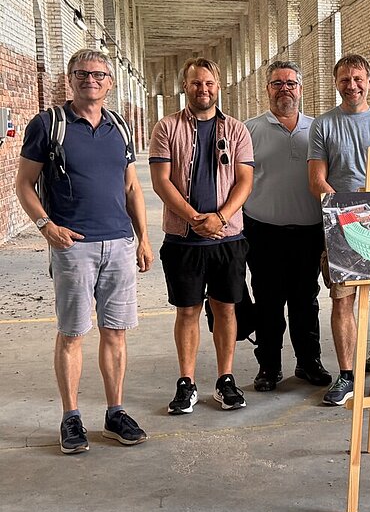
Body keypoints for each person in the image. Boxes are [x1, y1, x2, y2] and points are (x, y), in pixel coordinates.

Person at [15, 48, 152, 453]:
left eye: (98, 74)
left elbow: (131, 187)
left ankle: (115, 413)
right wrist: (46, 226)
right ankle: (71, 417)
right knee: (73, 332)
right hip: (73, 246)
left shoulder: (118, 126)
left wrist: (143, 238)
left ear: (110, 83)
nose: (90, 80)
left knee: (115, 332)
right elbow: (24, 183)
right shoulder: (48, 125)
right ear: (70, 79)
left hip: (119, 243)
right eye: (81, 73)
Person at [150, 57, 254, 414]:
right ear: (185, 86)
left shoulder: (237, 130)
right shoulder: (167, 127)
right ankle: (187, 382)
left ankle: (226, 380)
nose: (203, 89)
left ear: (218, 86)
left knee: (225, 308)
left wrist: (220, 217)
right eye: (196, 83)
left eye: (209, 83)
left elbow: (245, 181)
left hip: (227, 238)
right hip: (184, 238)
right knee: (187, 311)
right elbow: (161, 181)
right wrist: (194, 218)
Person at [308, 53, 370, 406]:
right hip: (341, 224)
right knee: (343, 299)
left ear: (368, 82)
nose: (352, 85)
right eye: (345, 79)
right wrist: (345, 212)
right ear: (337, 83)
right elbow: (317, 180)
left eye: (358, 79)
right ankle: (347, 375)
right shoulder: (323, 125)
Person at [242, 61, 331, 392]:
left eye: (290, 83)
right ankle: (269, 366)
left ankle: (309, 362)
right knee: (268, 301)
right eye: (277, 83)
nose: (284, 89)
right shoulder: (249, 131)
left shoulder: (318, 129)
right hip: (263, 232)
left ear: (301, 89)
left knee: (305, 301)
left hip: (309, 232)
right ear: (267, 89)